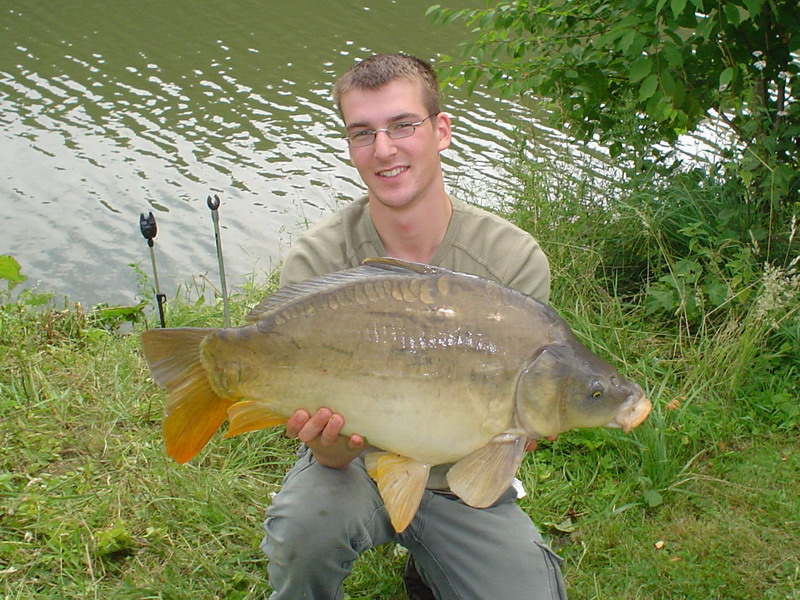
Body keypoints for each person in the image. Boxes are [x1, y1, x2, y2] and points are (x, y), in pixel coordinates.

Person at [261, 53, 567, 600]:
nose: (384, 150)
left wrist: (522, 430)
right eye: (363, 133)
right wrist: (327, 444)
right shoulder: (319, 259)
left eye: (403, 125)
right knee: (303, 532)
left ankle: (432, 561)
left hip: (459, 478)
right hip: (352, 465)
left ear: (441, 131)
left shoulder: (512, 258)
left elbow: (515, 427)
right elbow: (327, 448)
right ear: (350, 146)